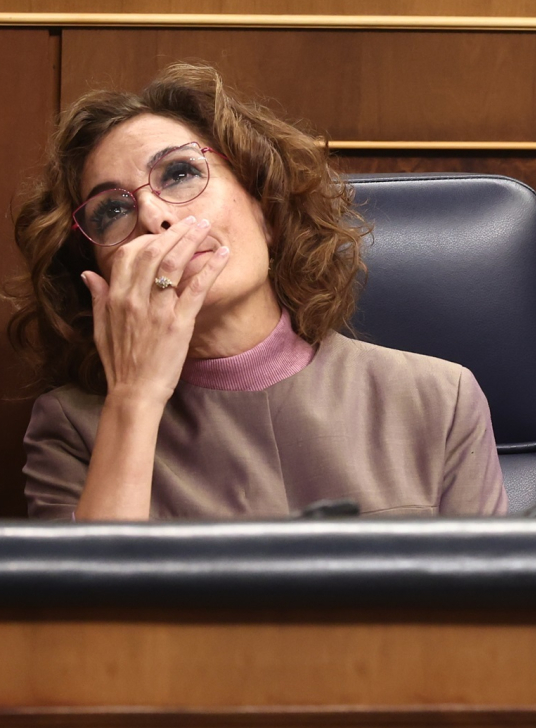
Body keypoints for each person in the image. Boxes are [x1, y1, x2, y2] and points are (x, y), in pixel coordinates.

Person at [11, 63, 508, 519]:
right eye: (112, 210)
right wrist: (134, 398)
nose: (153, 217)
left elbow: (489, 590)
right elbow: (98, 591)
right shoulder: (72, 429)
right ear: (99, 270)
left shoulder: (438, 399)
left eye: (180, 173)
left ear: (266, 207)